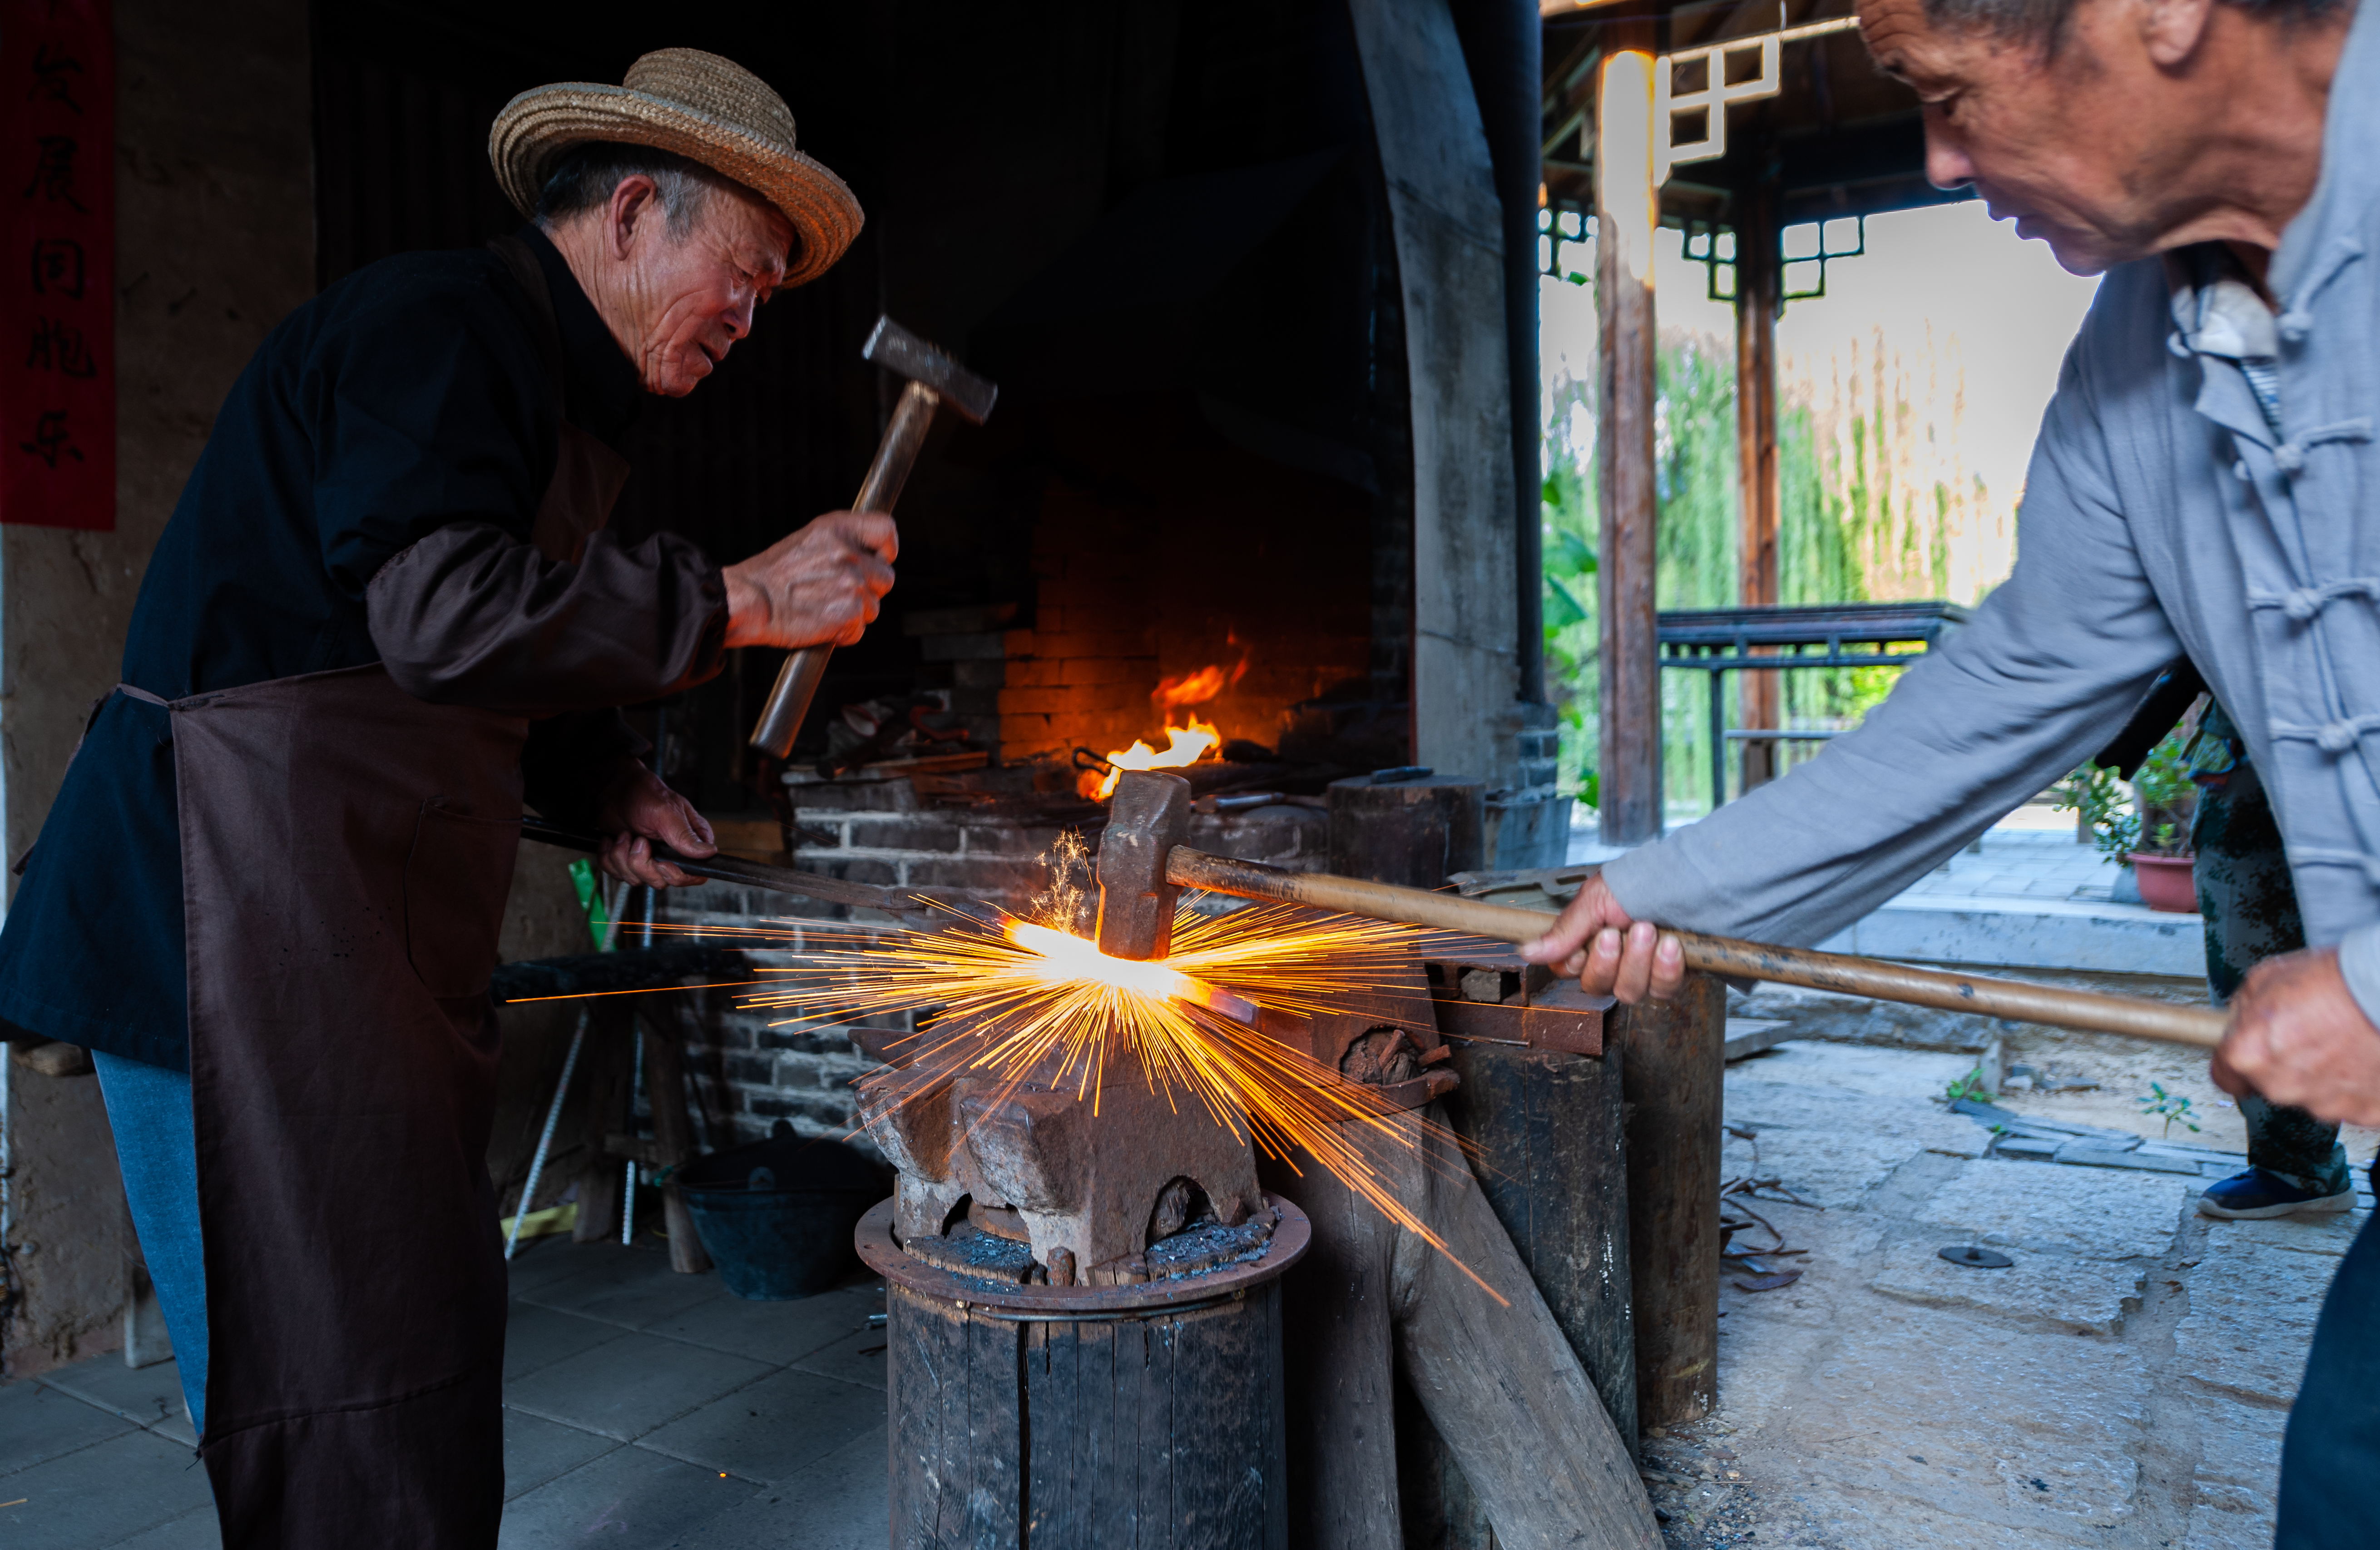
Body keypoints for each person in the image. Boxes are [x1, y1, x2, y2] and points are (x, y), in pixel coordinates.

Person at [0, 49, 894, 1548]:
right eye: (741, 273)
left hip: (345, 938)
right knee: (309, 1367)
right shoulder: (440, 326)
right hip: (224, 921)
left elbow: (476, 644)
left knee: (400, 1337)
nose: (751, 316)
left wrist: (601, 777)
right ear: (630, 213)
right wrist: (734, 599)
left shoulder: (565, 408)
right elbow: (441, 616)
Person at [1524, 0, 2377, 1543]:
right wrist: (1656, 893)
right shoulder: (2141, 354)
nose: (1941, 160)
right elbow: (2021, 675)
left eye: (1948, 95)